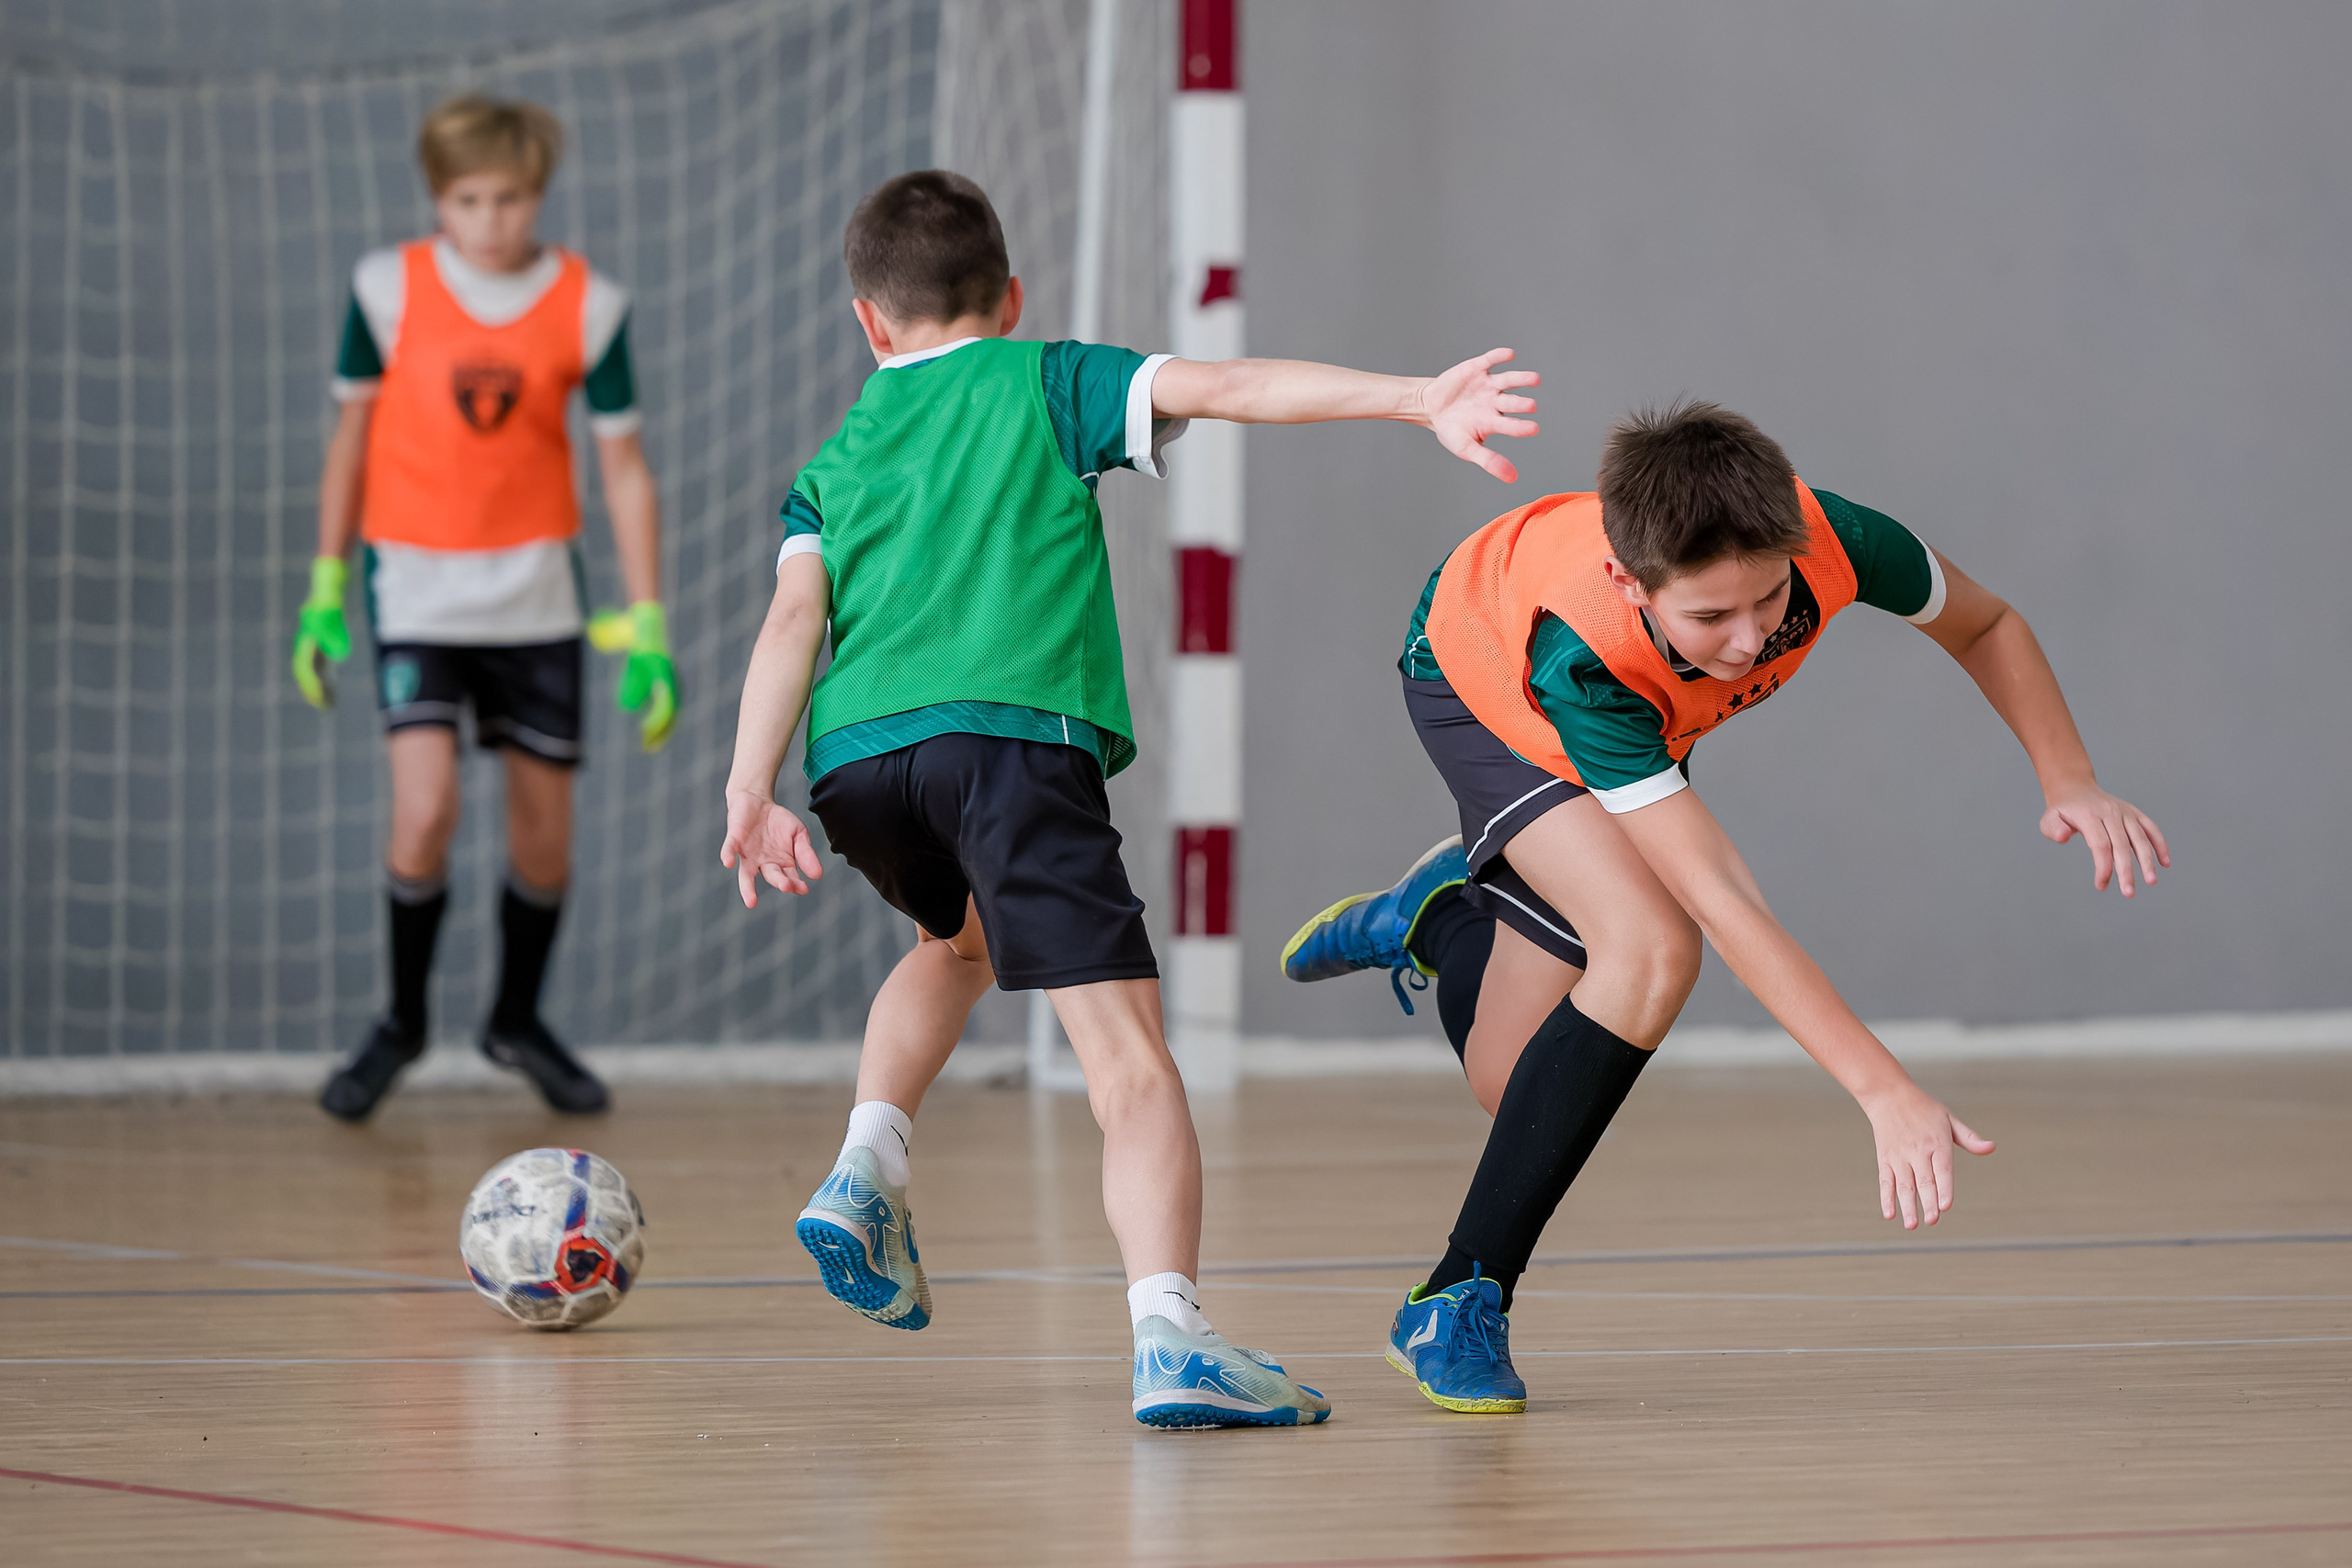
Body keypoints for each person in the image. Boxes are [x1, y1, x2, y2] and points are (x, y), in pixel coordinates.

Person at [719, 170, 1538, 1428]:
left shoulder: (835, 458)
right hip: (1011, 745)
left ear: (867, 323)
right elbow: (1235, 385)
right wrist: (1415, 397)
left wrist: (750, 786)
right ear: (1011, 297)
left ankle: (866, 1159)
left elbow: (792, 618)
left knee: (955, 943)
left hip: (857, 764)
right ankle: (1173, 1334)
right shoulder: (1046, 377)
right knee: (1129, 1061)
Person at [1282, 400, 2168, 1414]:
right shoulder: (1584, 658)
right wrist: (1881, 1089)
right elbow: (1724, 901)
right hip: (1483, 675)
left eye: (1767, 600)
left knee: (1516, 1090)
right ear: (1631, 582)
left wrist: (2071, 778)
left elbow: (1987, 621)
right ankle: (1456, 1296)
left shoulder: (1832, 538)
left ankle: (1439, 914)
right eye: (1709, 618)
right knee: (1654, 949)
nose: (1749, 641)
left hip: (1632, 702)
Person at [294, 96, 679, 1122]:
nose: (490, 219)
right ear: (439, 198)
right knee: (424, 811)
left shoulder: (590, 304)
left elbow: (625, 469)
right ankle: (403, 1023)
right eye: (469, 199)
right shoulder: (385, 291)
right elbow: (349, 442)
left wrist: (649, 624)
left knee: (543, 839)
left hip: (537, 600)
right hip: (414, 592)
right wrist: (324, 585)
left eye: (509, 198)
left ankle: (516, 1019)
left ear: (536, 196)